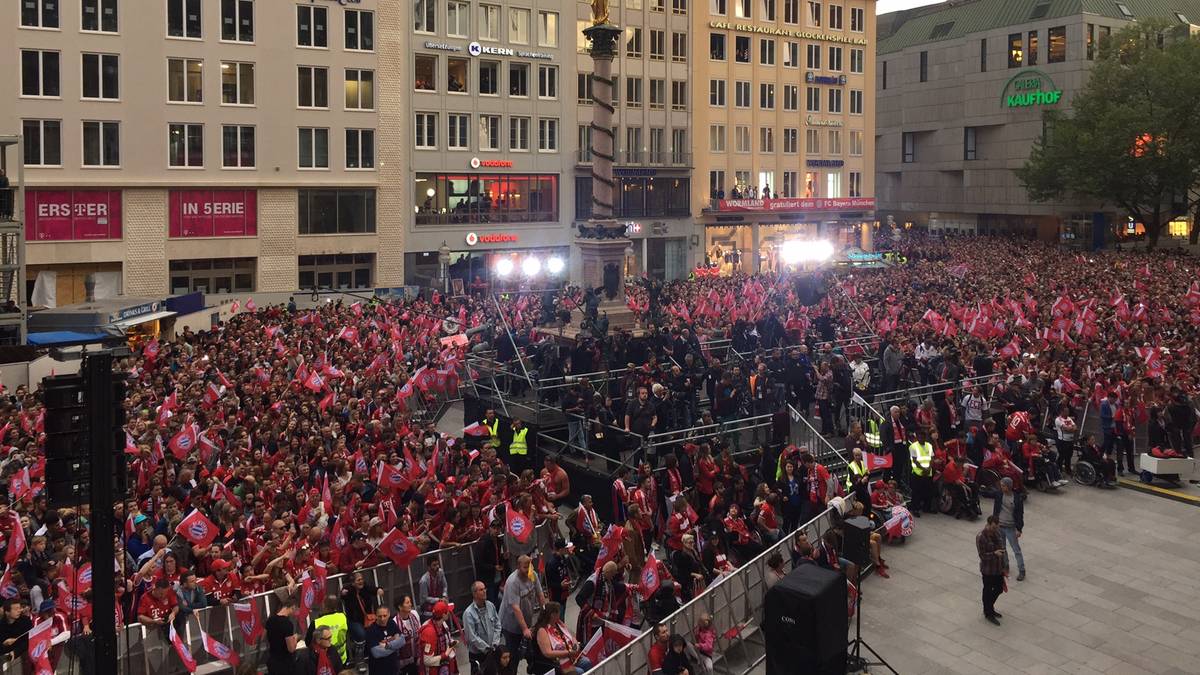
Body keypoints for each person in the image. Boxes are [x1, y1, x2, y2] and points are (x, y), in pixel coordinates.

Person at [498, 555, 544, 665]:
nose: (528, 570)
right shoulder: (513, 582)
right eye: (525, 567)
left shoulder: (533, 575)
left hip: (527, 622)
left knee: (532, 655)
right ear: (518, 567)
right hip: (511, 625)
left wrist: (545, 613)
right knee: (513, 657)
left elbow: (540, 594)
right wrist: (524, 629)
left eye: (529, 567)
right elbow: (516, 608)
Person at [574, 560, 626, 642]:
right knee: (591, 643)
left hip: (601, 618)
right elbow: (579, 598)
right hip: (591, 620)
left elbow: (616, 586)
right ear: (609, 572)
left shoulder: (605, 578)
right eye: (612, 575)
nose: (612, 578)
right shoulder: (592, 582)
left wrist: (629, 587)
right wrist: (592, 613)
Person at [533, 602, 591, 673]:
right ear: (552, 615)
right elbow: (547, 653)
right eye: (558, 613)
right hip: (557, 662)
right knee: (580, 671)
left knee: (587, 662)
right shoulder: (542, 630)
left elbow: (571, 637)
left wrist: (575, 645)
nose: (559, 615)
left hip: (571, 656)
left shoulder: (559, 623)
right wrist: (569, 652)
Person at [463, 581, 501, 674]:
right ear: (474, 594)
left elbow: (497, 625)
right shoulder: (468, 613)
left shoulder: (490, 606)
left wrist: (495, 643)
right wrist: (486, 648)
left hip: (492, 651)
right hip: (478, 655)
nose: (484, 591)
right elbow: (471, 636)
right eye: (481, 590)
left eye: (485, 589)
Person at [992, 477, 1026, 581]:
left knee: (1016, 550)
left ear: (1009, 486)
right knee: (1002, 548)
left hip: (1011, 527)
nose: (1001, 487)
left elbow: (1020, 514)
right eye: (1001, 485)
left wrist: (1019, 529)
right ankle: (1005, 566)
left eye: (1003, 486)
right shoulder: (999, 494)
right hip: (1000, 525)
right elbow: (995, 506)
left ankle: (1022, 570)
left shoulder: (1016, 498)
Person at [976, 516, 1007, 625]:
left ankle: (989, 607)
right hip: (988, 570)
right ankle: (988, 611)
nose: (995, 530)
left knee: (999, 588)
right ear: (988, 524)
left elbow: (1002, 547)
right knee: (988, 590)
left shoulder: (997, 533)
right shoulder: (981, 537)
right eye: (994, 527)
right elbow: (982, 556)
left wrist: (1003, 566)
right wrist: (994, 554)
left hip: (997, 568)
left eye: (997, 527)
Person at [418, 601, 458, 675]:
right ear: (443, 615)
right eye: (447, 611)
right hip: (433, 671)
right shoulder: (429, 632)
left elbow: (446, 640)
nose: (449, 612)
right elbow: (427, 660)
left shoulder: (443, 623)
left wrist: (452, 643)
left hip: (446, 667)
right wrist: (445, 655)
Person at [365, 604, 405, 675]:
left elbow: (402, 640)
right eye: (380, 616)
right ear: (376, 616)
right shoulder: (371, 630)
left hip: (393, 668)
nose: (382, 619)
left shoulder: (392, 623)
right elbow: (376, 653)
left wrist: (387, 645)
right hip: (378, 670)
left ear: (389, 614)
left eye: (385, 615)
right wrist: (395, 646)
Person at [265, 596, 300, 675]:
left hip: (272, 660)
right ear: (293, 607)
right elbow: (291, 649)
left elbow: (266, 637)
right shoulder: (287, 624)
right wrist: (295, 638)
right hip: (284, 663)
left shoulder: (270, 620)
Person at [545, 538, 575, 604]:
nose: (568, 549)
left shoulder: (563, 558)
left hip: (564, 593)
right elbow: (548, 583)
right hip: (556, 596)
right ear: (561, 550)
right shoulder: (551, 564)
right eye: (566, 548)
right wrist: (560, 585)